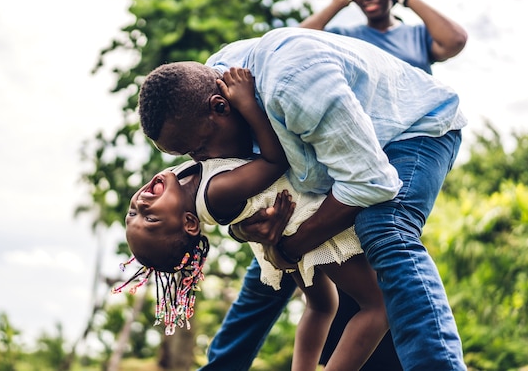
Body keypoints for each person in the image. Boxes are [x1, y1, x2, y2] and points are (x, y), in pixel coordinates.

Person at [138, 26, 468, 370]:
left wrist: (289, 247)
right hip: (326, 172)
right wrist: (249, 230)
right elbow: (225, 199)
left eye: (199, 148)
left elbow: (372, 183)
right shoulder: (210, 88)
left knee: (383, 228)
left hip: (414, 130)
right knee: (269, 271)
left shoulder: (294, 87)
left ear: (221, 107)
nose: (200, 160)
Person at [120, 68, 388, 370]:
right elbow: (275, 161)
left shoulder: (185, 177)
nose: (141, 202)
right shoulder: (213, 193)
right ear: (189, 223)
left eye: (133, 213)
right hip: (302, 221)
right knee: (376, 307)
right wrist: (247, 103)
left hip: (279, 231)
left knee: (321, 305)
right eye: (150, 217)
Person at [296, 0, 469, 368]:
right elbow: (290, 43)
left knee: (387, 234)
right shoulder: (346, 33)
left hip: (406, 148)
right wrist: (335, 5)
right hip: (354, 158)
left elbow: (455, 40)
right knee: (338, 255)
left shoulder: (414, 38)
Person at [300, 0, 468, 75]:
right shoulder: (345, 37)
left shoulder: (418, 35)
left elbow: (455, 40)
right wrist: (335, 5)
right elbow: (297, 42)